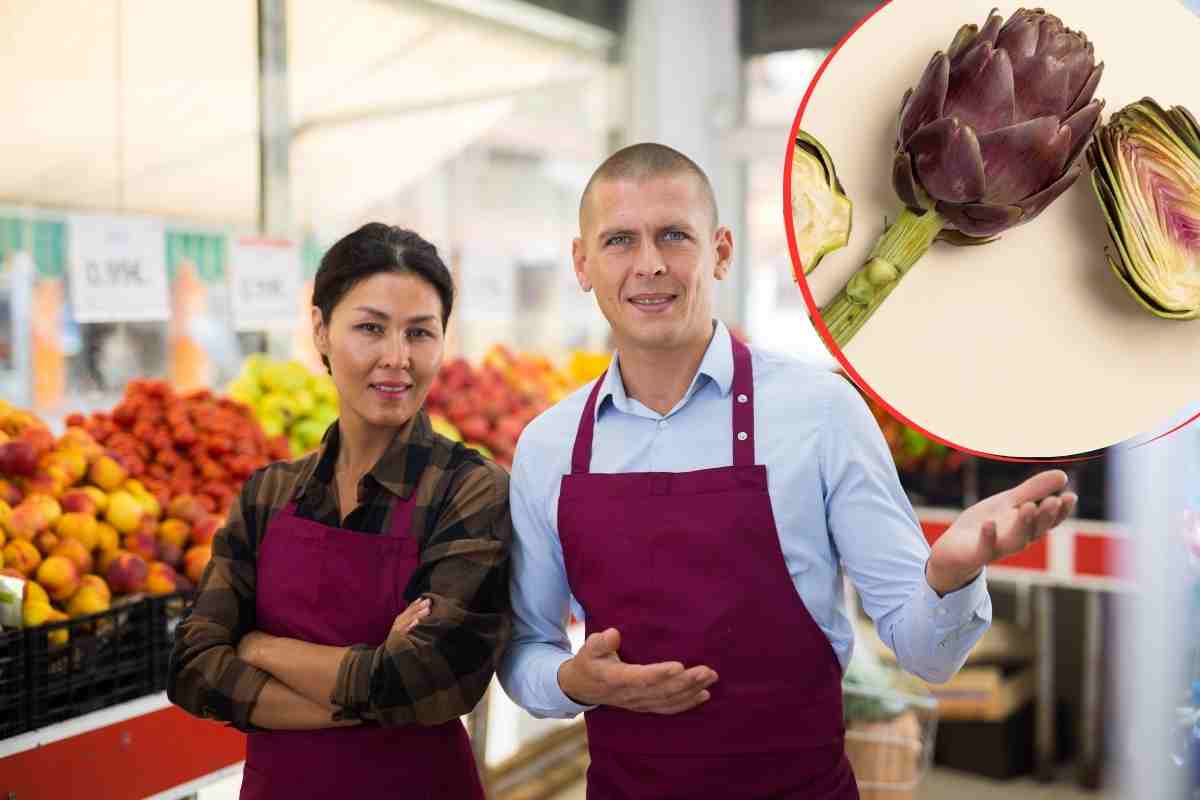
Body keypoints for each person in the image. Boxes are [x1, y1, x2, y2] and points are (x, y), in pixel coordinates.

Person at [498, 144, 1077, 799]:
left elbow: (930, 657)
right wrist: (574, 682)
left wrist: (951, 573)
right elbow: (524, 649)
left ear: (720, 251)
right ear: (582, 263)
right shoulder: (549, 448)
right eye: (620, 240)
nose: (650, 264)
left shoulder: (822, 413)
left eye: (674, 236)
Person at [167, 224, 512, 799]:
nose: (396, 359)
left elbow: (429, 683)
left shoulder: (469, 491)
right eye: (370, 328)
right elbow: (193, 669)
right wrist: (374, 683)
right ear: (322, 331)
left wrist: (258, 647)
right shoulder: (267, 495)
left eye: (420, 333)